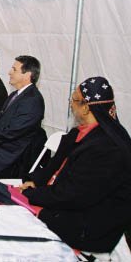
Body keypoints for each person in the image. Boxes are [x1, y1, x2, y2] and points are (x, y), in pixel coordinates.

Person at [20, 76, 131, 253]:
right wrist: (35, 182)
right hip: (61, 201)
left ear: (86, 107)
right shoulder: (78, 134)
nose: (71, 105)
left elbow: (73, 195)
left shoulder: (109, 148)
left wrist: (32, 195)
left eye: (73, 100)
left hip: (88, 225)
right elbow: (53, 166)